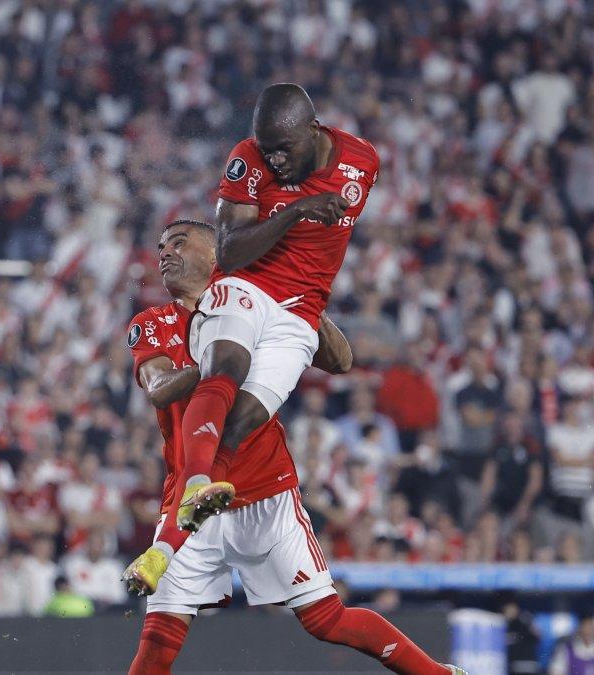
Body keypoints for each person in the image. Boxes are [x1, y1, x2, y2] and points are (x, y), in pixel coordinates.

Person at [121, 220, 462, 675]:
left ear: (216, 252)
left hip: (266, 491)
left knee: (327, 620)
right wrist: (219, 358)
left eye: (180, 242)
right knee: (159, 641)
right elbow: (159, 388)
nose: (165, 252)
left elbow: (341, 361)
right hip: (190, 496)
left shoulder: (256, 299)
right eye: (161, 246)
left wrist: (297, 295)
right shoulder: (152, 323)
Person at [151, 83, 382, 573]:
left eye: (285, 148)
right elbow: (230, 250)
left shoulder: (362, 162)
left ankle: (193, 513)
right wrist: (297, 208)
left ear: (314, 131)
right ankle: (185, 505)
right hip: (249, 286)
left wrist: (310, 306)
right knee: (225, 369)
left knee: (247, 417)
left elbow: (320, 257)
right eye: (267, 147)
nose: (274, 159)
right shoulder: (247, 160)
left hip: (300, 309)